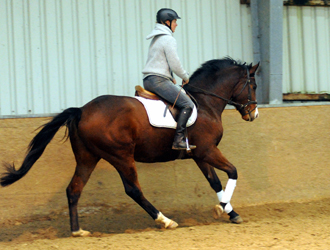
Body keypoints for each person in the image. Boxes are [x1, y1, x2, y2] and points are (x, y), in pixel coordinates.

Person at [142, 8, 196, 151]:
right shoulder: (168, 39)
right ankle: (178, 140)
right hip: (158, 81)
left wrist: (171, 78)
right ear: (167, 22)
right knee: (187, 104)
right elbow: (175, 64)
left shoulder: (157, 38)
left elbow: (159, 61)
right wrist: (185, 77)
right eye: (175, 21)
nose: (176, 24)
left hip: (149, 79)